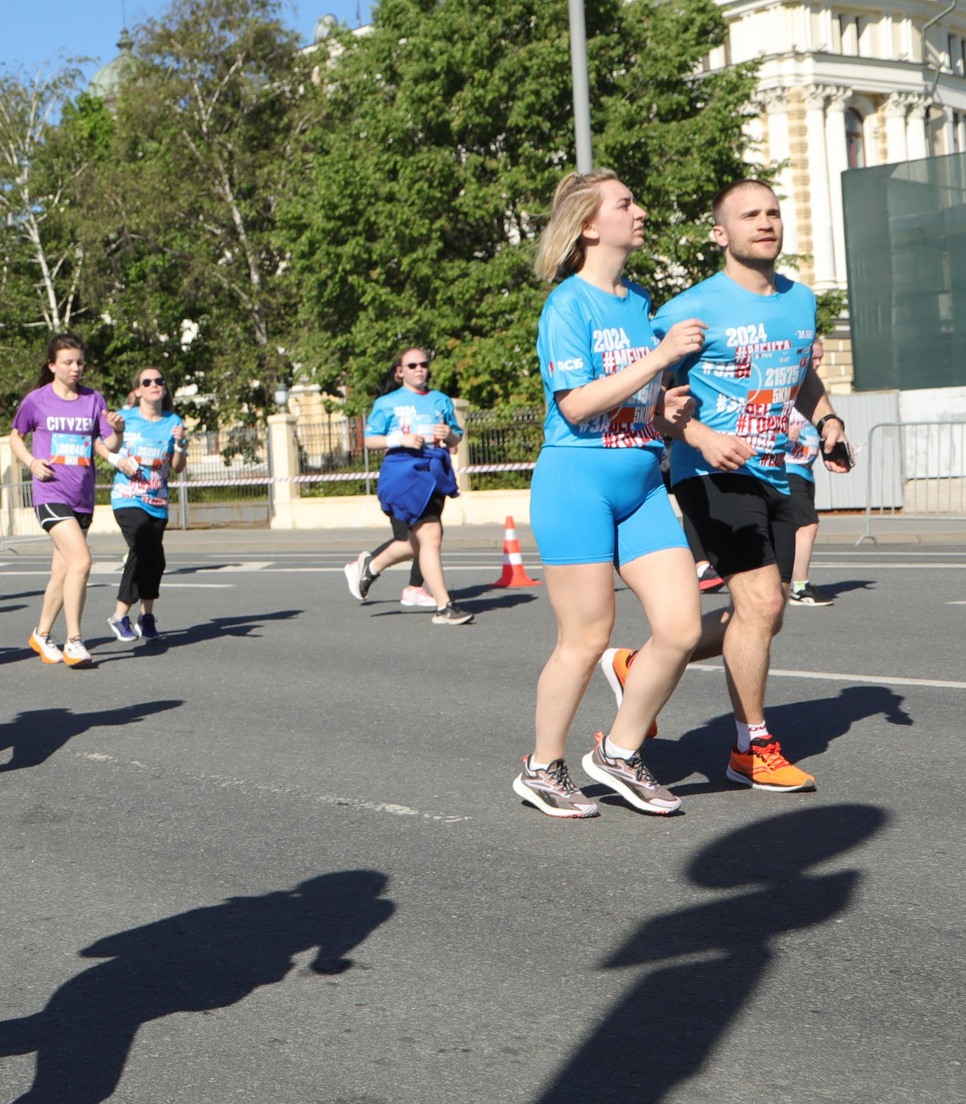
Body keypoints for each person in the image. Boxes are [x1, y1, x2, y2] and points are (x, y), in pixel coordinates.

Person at [642, 180, 853, 792]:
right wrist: (701, 437)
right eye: (749, 215)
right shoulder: (687, 310)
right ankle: (749, 748)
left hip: (777, 467)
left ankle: (641, 665)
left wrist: (828, 420)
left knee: (764, 612)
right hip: (710, 472)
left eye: (773, 213)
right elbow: (647, 403)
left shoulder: (800, 301)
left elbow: (801, 375)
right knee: (760, 604)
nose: (765, 223)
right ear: (720, 233)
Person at [516, 170, 706, 819]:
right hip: (577, 483)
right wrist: (657, 362)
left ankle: (620, 751)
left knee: (681, 628)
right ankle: (543, 766)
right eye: (626, 203)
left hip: (643, 480)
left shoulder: (639, 300)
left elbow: (636, 407)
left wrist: (669, 413)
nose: (641, 210)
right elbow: (574, 406)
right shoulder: (567, 304)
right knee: (587, 634)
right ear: (590, 224)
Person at [343, 349, 472, 626]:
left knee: (417, 542)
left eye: (423, 364)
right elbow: (369, 440)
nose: (419, 369)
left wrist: (447, 435)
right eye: (412, 365)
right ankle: (444, 606)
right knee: (431, 533)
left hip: (435, 473)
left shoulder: (440, 400)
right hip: (403, 474)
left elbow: (455, 436)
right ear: (400, 371)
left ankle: (371, 566)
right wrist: (400, 439)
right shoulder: (387, 403)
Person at [11, 334, 118, 667]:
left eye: (79, 362)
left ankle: (41, 634)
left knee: (62, 570)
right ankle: (74, 640)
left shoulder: (93, 399)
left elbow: (110, 445)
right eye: (68, 362)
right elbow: (15, 435)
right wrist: (31, 461)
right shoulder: (37, 400)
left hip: (81, 498)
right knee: (82, 562)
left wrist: (120, 430)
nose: (75, 368)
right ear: (52, 365)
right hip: (50, 493)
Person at [106, 367, 189, 644]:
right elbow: (98, 443)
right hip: (127, 497)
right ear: (138, 390)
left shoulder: (173, 421)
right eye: (147, 381)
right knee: (147, 551)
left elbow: (177, 468)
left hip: (158, 502)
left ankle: (147, 617)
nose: (154, 384)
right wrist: (117, 460)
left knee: (151, 558)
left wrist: (178, 445)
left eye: (159, 381)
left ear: (164, 389)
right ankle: (119, 616)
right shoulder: (124, 417)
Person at [781, 410, 830, 607]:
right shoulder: (785, 399)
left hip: (805, 472)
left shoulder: (813, 404)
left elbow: (821, 434)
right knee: (807, 525)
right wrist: (784, 433)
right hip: (788, 469)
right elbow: (760, 430)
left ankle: (782, 582)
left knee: (791, 528)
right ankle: (800, 587)